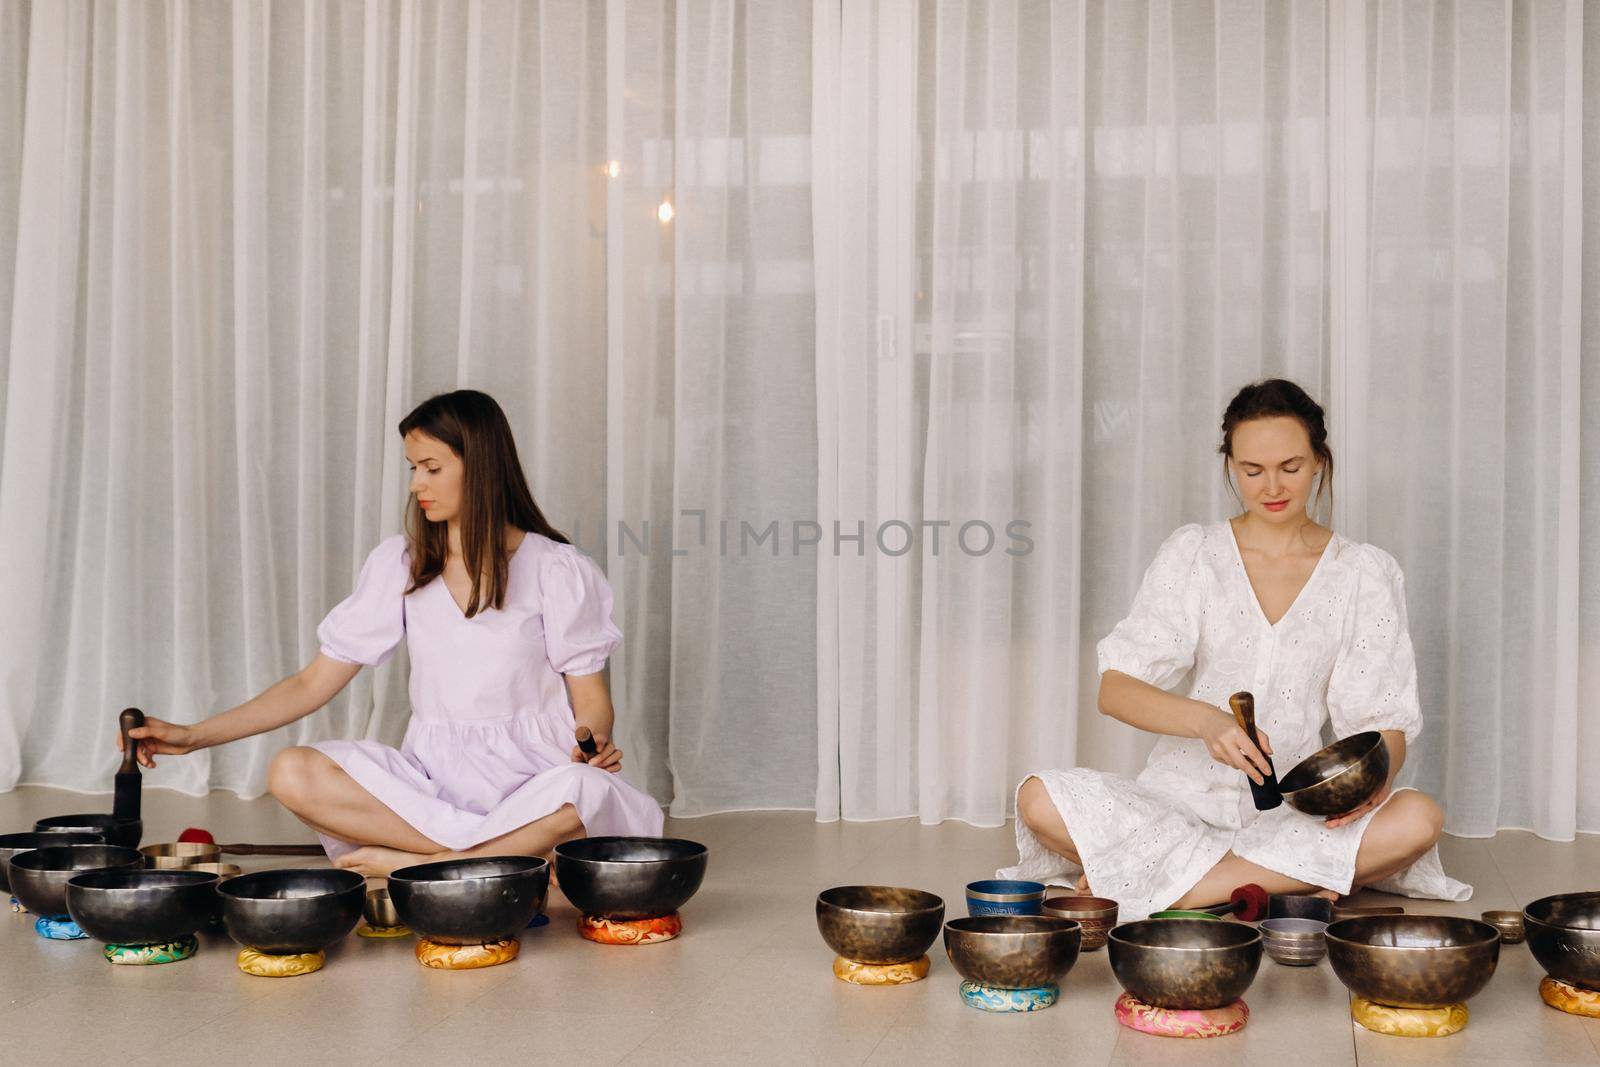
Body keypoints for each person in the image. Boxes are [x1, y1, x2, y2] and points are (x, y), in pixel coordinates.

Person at [123, 389, 663, 877]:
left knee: (587, 793)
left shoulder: (557, 569)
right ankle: (481, 862)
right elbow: (311, 685)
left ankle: (446, 863)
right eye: (412, 468)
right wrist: (194, 736)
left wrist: (593, 744)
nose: (415, 485)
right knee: (292, 770)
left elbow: (590, 702)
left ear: (481, 467)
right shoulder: (401, 564)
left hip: (537, 778)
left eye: (430, 467)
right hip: (434, 783)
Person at [1000, 378, 1469, 919]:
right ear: (1231, 467)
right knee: (1039, 797)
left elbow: (1383, 718)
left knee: (1417, 817)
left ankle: (1173, 885)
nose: (1272, 486)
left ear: (1319, 460)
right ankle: (1277, 883)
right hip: (1177, 806)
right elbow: (1116, 689)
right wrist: (1205, 722)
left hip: (1294, 815)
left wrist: (1376, 781)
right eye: (1252, 471)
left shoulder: (1364, 572)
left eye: (1290, 467)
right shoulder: (1195, 554)